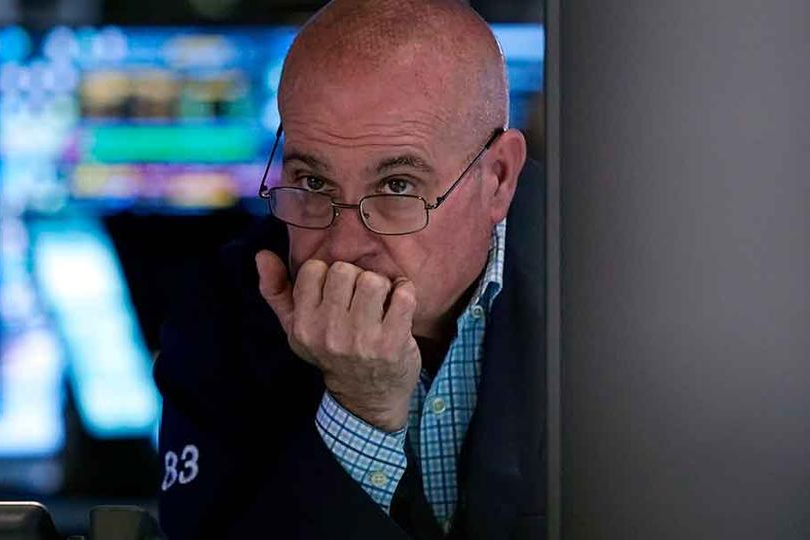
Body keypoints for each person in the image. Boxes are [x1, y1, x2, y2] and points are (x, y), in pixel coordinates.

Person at [154, 0, 545, 537]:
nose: (343, 247)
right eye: (313, 183)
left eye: (397, 186)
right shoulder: (215, 320)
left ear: (498, 178)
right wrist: (359, 412)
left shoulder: (619, 278)